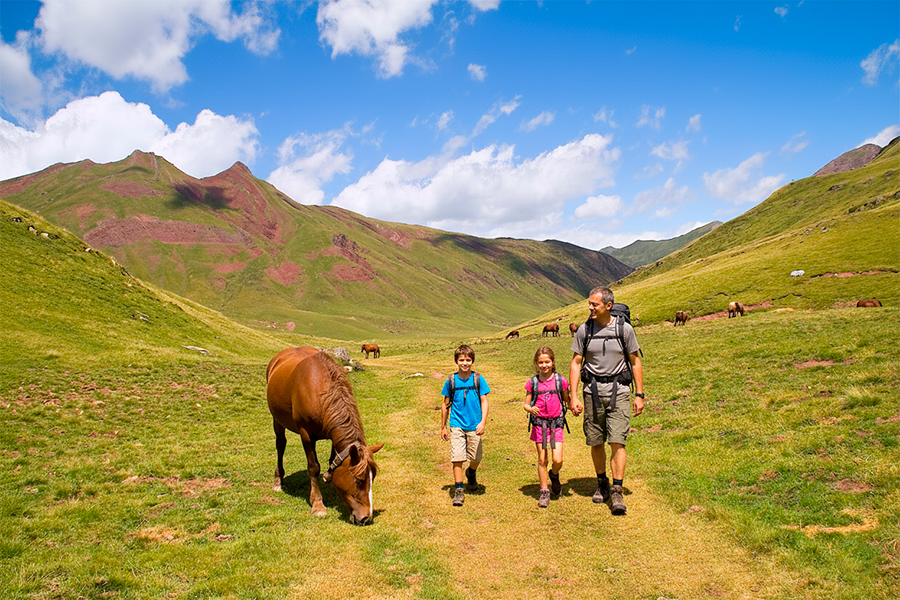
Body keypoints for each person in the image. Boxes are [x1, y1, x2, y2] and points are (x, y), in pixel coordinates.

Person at [568, 287, 644, 515]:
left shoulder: (624, 329)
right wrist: (573, 396)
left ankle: (617, 489)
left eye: (595, 304)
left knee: (617, 441)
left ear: (608, 305)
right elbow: (575, 363)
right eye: (589, 304)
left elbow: (635, 362)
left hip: (619, 391)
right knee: (595, 440)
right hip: (591, 391)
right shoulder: (584, 330)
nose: (590, 308)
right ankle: (601, 482)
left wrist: (639, 394)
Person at [440, 344, 491, 506]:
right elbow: (445, 404)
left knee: (476, 457)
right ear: (456, 361)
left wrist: (482, 422)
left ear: (472, 361)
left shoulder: (478, 379)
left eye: (468, 360)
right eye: (462, 360)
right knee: (457, 458)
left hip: (475, 424)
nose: (465, 363)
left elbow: (484, 401)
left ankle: (471, 472)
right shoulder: (451, 380)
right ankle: (459, 490)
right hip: (456, 424)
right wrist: (443, 427)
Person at [523, 346, 572, 508]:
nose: (544, 365)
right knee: (542, 459)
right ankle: (544, 491)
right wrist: (531, 409)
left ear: (553, 362)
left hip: (556, 423)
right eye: (541, 363)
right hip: (539, 424)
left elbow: (566, 399)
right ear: (536, 364)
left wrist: (574, 406)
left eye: (547, 362)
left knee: (558, 459)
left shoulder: (560, 381)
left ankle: (554, 474)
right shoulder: (533, 382)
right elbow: (526, 404)